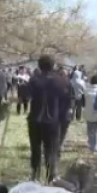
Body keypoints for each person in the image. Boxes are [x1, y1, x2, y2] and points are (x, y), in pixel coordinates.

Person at [27, 54, 71, 182]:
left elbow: (26, 96)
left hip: (35, 119)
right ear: (53, 65)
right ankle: (51, 175)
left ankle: (35, 174)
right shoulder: (61, 81)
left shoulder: (34, 80)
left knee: (35, 148)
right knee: (51, 149)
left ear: (39, 66)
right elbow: (67, 102)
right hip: (53, 121)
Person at [83, 74, 97, 153]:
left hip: (88, 114)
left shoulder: (86, 90)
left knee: (90, 130)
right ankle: (96, 146)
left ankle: (91, 145)